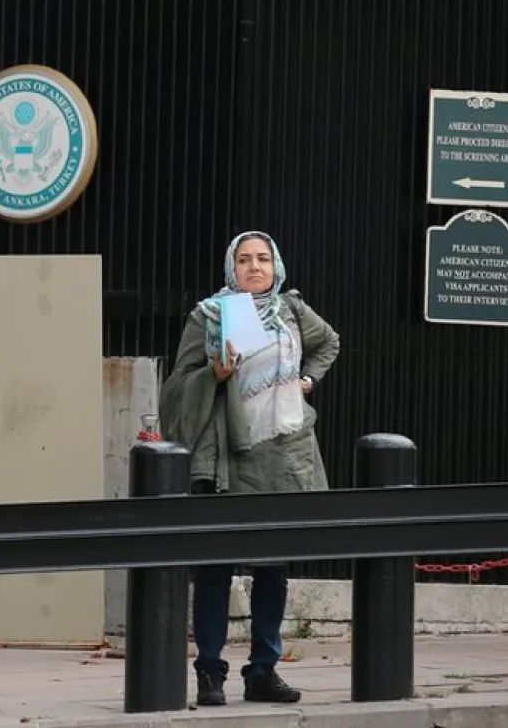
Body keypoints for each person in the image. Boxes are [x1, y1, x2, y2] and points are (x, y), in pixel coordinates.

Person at [158, 231, 341, 707]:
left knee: (273, 570)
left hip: (282, 453)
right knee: (215, 569)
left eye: (263, 258)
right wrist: (214, 375)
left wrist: (308, 379)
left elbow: (329, 343)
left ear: (275, 266)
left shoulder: (291, 310)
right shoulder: (209, 315)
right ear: (231, 267)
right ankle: (210, 671)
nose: (254, 267)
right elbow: (176, 388)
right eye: (244, 259)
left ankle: (263, 670)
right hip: (227, 455)